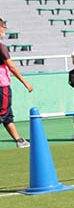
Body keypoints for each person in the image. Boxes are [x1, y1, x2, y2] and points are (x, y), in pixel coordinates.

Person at [0, 18, 32, 147]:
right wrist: (25, 82)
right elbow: (11, 67)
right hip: (1, 86)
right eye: (3, 27)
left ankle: (19, 140)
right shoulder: (1, 47)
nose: (4, 30)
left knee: (7, 115)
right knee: (3, 113)